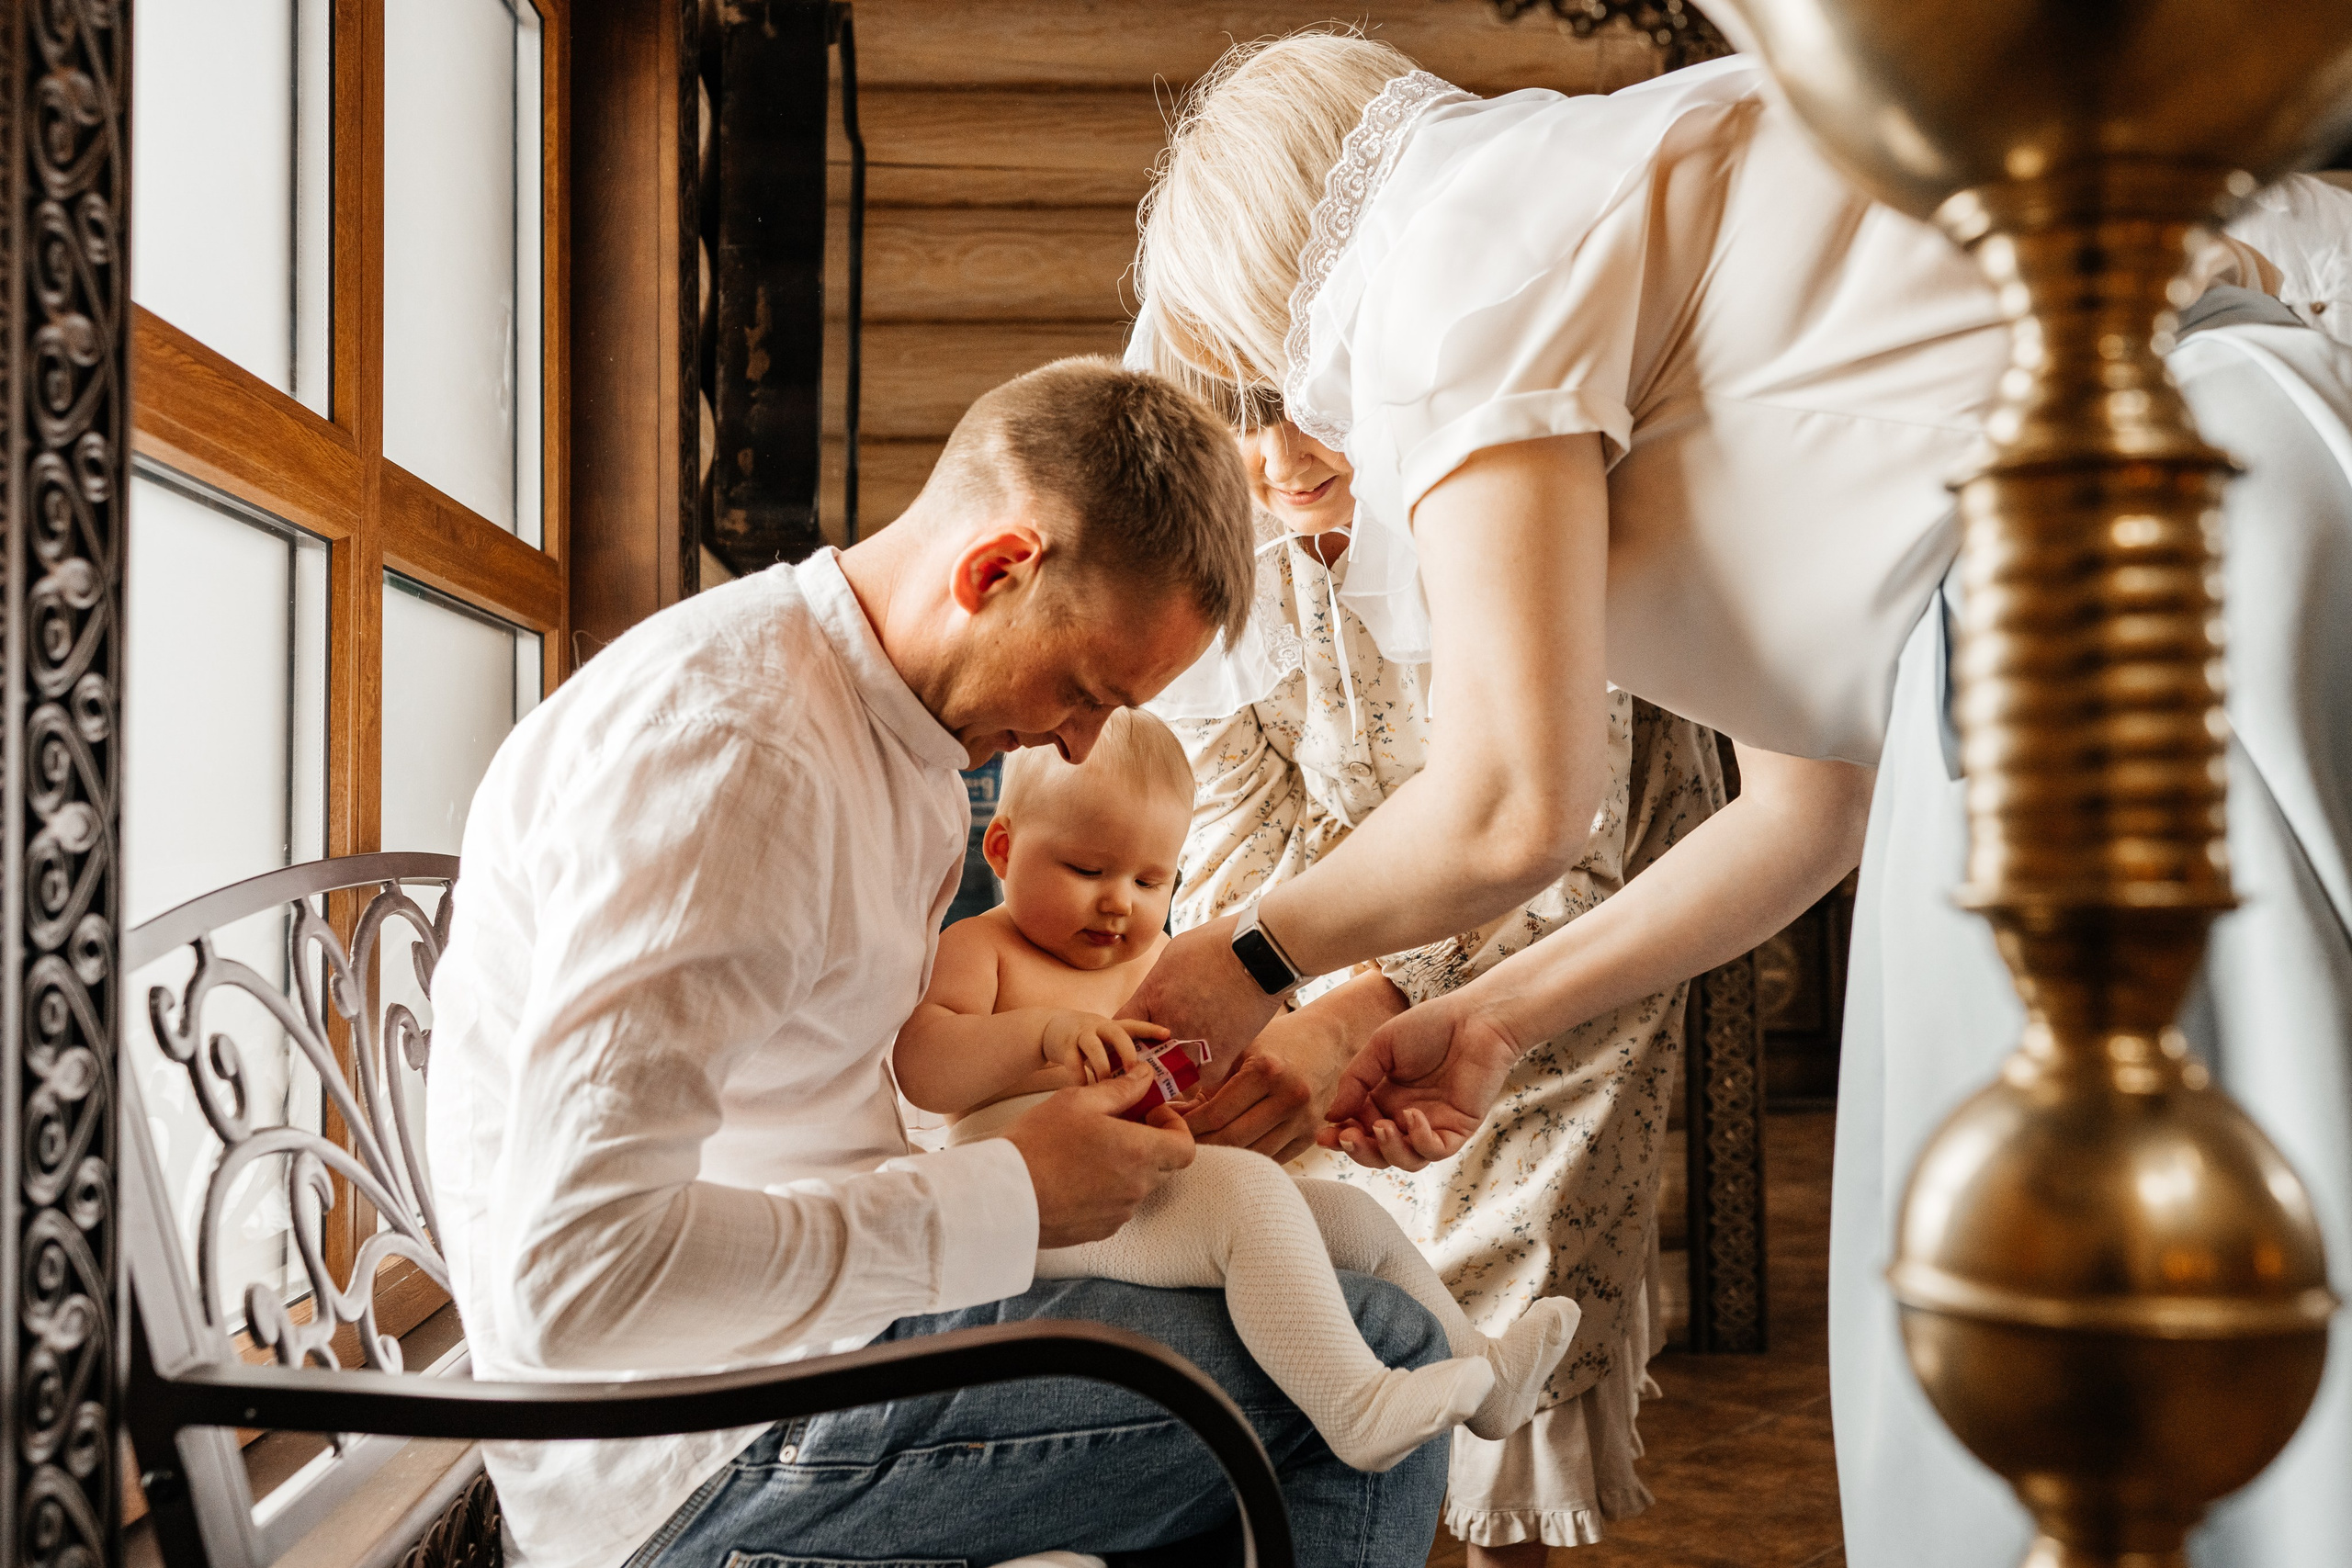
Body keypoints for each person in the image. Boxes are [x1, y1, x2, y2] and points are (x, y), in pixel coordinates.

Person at [1118, 31, 2352, 1568]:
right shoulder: (1581, 258)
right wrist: (1491, 1018)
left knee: (2177, 1231)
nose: (1284, 434)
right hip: (2028, 630)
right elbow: (1800, 817)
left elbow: (1515, 798)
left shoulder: (1446, 264)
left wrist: (1237, 961)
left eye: (1257, 368)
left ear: (1287, 279)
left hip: (2128, 571)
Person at [423, 357, 1454, 1568]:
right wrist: (1014, 1192)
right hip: (682, 1452)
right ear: (995, 569)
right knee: (1376, 1355)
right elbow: (575, 1284)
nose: (1078, 742)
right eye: (1085, 691)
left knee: (1312, 1286)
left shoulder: (885, 729)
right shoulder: (735, 758)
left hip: (809, 1347)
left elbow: (833, 1091)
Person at [1147, 409, 1721, 1560]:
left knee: (1505, 1243)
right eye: (1245, 428)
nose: (1284, 463)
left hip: (1570, 916)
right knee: (1277, 1215)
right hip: (1322, 912)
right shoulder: (1219, 557)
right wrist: (1290, 1012)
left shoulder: (1506, 507)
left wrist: (1368, 1004)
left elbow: (1567, 836)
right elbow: (1233, 832)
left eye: (1316, 416)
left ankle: (1506, 1532)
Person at [896, 708, 1581, 1474]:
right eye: (1087, 870)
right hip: (1043, 1208)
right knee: (1251, 1198)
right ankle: (1357, 1406)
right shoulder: (983, 946)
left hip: (1148, 1191)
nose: (1118, 900)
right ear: (1003, 846)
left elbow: (1212, 1071)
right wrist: (1044, 1035)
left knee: (1354, 1219)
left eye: (1150, 879)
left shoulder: (1155, 961)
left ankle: (1483, 1372)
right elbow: (923, 1068)